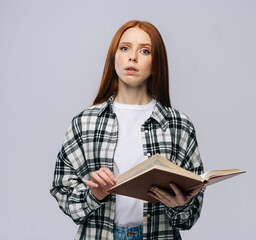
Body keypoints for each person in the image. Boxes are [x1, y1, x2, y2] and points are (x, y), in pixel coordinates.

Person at [50, 20, 204, 240]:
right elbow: (61, 190)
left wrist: (180, 206)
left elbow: (189, 217)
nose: (133, 57)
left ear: (156, 62)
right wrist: (94, 195)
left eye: (145, 50)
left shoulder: (179, 125)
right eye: (125, 48)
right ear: (114, 57)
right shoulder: (84, 123)